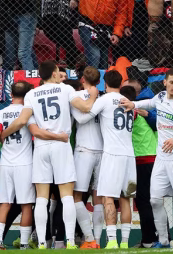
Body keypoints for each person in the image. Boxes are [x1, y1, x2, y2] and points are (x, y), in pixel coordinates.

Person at [0, 60, 99, 249]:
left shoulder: (31, 94)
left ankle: (42, 244)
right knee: (66, 195)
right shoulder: (65, 89)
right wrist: (93, 95)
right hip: (61, 144)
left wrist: (3, 134)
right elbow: (86, 108)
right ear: (54, 73)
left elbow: (21, 121)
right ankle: (70, 242)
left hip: (41, 147)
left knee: (41, 198)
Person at [119, 68, 173, 249]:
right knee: (155, 200)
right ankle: (164, 242)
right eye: (172, 82)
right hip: (161, 159)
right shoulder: (160, 97)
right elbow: (149, 103)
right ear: (165, 82)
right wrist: (133, 104)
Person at [73, 71, 136, 249]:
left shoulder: (104, 99)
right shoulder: (127, 101)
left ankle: (112, 241)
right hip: (129, 154)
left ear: (105, 84)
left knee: (108, 197)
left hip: (112, 153)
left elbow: (85, 117)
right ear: (121, 83)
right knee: (125, 199)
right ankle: (125, 242)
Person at [0, 81, 38, 250]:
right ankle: (24, 244)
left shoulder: (0, 113)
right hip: (25, 164)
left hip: (6, 164)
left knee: (5, 204)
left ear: (11, 94)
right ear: (27, 95)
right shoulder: (29, 112)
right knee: (26, 205)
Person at [70, 0, 133, 69]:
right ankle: (89, 80)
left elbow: (121, 14)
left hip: (105, 30)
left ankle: (96, 80)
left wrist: (116, 33)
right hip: (87, 25)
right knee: (95, 56)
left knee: (103, 62)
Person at [68, 66, 103, 249]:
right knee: (98, 197)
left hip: (85, 150)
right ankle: (95, 239)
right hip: (100, 150)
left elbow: (81, 120)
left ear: (82, 79)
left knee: (77, 195)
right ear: (99, 81)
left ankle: (90, 239)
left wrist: (90, 105)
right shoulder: (102, 97)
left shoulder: (76, 96)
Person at [123, 78, 158, 248]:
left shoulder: (134, 112)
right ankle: (161, 238)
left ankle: (149, 240)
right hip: (153, 157)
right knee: (152, 201)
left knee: (144, 200)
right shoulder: (149, 111)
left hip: (143, 158)